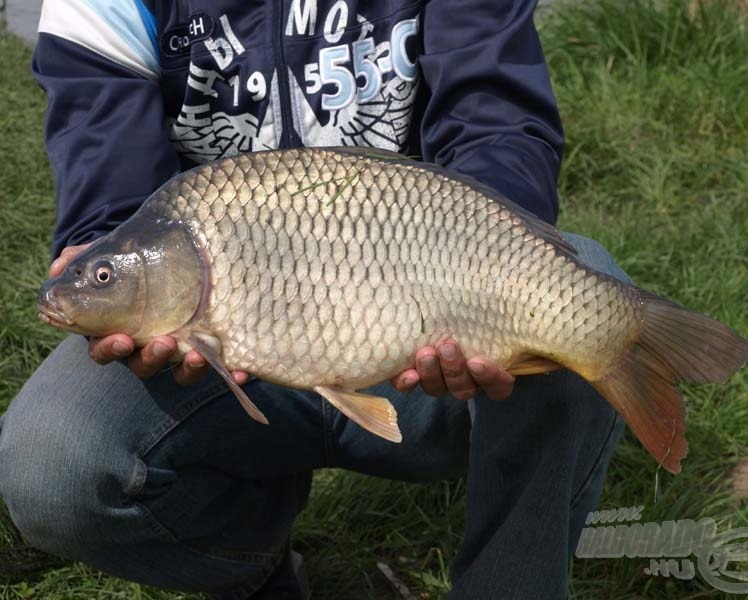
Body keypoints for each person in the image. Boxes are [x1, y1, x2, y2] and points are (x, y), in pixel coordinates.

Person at [0, 0, 627, 598]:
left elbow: (497, 129)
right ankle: (249, 563)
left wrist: (469, 283)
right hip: (220, 356)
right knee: (51, 464)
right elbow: (115, 203)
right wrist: (97, 264)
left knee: (584, 294)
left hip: (419, 327)